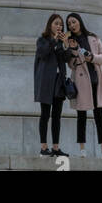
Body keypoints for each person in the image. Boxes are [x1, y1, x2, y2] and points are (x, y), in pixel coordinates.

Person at [65, 13, 102, 159]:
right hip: (81, 82)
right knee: (81, 115)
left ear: (79, 21)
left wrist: (92, 57)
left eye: (74, 22)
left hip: (96, 80)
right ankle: (82, 149)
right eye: (69, 24)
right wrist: (74, 51)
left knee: (99, 115)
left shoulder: (93, 37)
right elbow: (71, 65)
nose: (72, 25)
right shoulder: (70, 41)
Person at [34, 13, 72, 157]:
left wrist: (66, 44)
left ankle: (56, 147)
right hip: (45, 81)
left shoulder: (61, 42)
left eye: (61, 24)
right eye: (56, 23)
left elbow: (67, 58)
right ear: (50, 24)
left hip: (58, 81)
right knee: (45, 114)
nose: (59, 26)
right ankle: (44, 147)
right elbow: (42, 53)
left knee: (57, 116)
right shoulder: (42, 40)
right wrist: (53, 40)